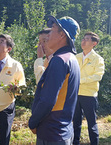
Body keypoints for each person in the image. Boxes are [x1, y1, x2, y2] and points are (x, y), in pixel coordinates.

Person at [29, 16, 80, 145]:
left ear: (62, 34)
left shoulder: (59, 60)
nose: (48, 35)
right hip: (62, 130)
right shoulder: (71, 58)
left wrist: (33, 122)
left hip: (52, 132)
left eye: (52, 30)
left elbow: (48, 100)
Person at [73, 32, 105, 145]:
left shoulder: (98, 59)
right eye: (83, 39)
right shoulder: (76, 57)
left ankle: (94, 142)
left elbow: (98, 76)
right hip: (75, 94)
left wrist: (81, 80)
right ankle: (74, 142)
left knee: (92, 123)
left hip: (89, 95)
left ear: (94, 43)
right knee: (75, 122)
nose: (83, 41)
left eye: (87, 39)